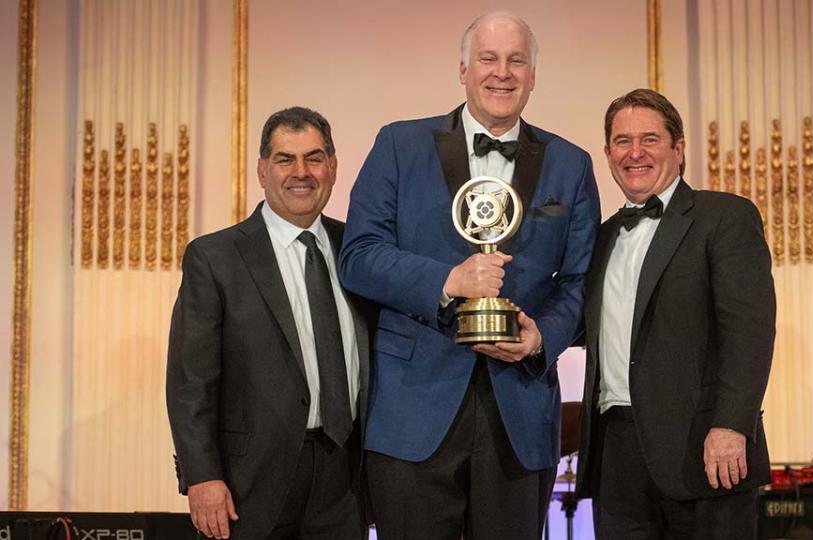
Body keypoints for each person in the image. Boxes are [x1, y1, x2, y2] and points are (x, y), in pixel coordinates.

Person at [338, 11, 600, 539]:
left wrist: (540, 339)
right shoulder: (398, 145)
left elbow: (580, 282)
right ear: (462, 69)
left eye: (516, 61)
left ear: (532, 74)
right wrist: (447, 280)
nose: (501, 73)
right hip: (413, 411)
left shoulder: (571, 165)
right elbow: (359, 255)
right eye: (488, 58)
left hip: (519, 413)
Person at [574, 89, 776, 539]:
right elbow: (584, 326)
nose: (635, 153)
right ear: (607, 154)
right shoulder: (602, 237)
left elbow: (749, 333)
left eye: (650, 139)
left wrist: (730, 425)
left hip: (704, 448)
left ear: (678, 149)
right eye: (622, 142)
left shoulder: (723, 217)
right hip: (617, 454)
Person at [166, 107, 373, 540]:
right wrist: (202, 476)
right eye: (285, 159)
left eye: (314, 158)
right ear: (263, 170)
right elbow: (191, 381)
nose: (302, 172)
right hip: (249, 484)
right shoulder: (215, 257)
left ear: (333, 168)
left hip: (345, 478)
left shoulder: (360, 250)